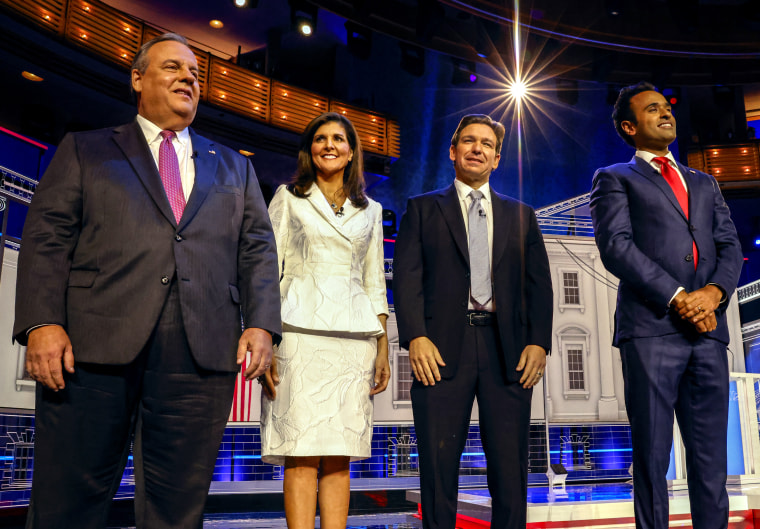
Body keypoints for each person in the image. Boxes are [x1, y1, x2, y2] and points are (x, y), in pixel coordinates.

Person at [13, 33, 281, 528]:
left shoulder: (235, 168)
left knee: (177, 510)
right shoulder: (86, 149)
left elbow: (259, 252)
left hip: (200, 355)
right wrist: (41, 323)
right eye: (173, 68)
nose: (188, 78)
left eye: (195, 74)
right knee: (66, 502)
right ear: (138, 78)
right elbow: (47, 239)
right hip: (90, 350)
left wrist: (262, 324)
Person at [589, 82, 744, 529]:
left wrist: (713, 294)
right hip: (652, 330)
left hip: (709, 333)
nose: (665, 114)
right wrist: (679, 298)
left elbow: (729, 247)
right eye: (651, 109)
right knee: (653, 461)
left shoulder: (705, 182)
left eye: (667, 108)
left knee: (711, 463)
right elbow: (616, 247)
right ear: (629, 126)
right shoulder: (615, 178)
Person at [393, 114, 553, 529]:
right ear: (453, 151)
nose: (477, 148)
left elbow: (540, 286)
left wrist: (539, 342)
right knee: (438, 465)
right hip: (442, 350)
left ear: (497, 159)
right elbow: (406, 279)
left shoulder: (522, 215)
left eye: (486, 144)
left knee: (510, 467)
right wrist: (415, 337)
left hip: (510, 352)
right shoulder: (422, 209)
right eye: (468, 141)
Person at [259, 112, 390, 529]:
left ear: (352, 152)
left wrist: (384, 345)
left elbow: (374, 282)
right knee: (300, 450)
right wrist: (266, 337)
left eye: (338, 139)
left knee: (339, 454)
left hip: (354, 341)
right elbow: (266, 270)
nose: (329, 145)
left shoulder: (371, 210)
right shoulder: (288, 197)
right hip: (297, 335)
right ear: (309, 149)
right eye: (320, 138)